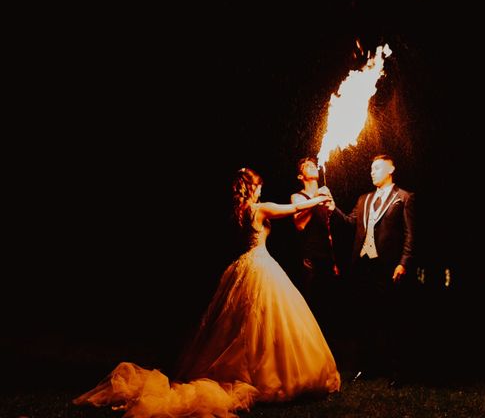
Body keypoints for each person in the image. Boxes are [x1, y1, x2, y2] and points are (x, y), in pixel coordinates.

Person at [73, 167, 341, 418]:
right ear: (252, 188)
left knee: (240, 329)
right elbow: (293, 208)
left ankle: (253, 375)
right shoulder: (258, 210)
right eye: (259, 186)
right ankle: (268, 380)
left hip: (241, 267)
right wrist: (318, 199)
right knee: (260, 325)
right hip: (259, 266)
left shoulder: (237, 211)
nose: (261, 190)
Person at [329, 154, 415, 386]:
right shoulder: (363, 199)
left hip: (388, 267)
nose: (372, 171)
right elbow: (349, 222)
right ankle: (366, 367)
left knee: (392, 319)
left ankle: (397, 372)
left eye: (377, 167)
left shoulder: (404, 197)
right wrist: (332, 207)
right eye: (371, 168)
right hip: (363, 266)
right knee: (365, 319)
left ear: (391, 168)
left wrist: (403, 262)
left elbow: (410, 235)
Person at [290, 157, 339, 345]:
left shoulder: (324, 194)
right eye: (307, 166)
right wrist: (316, 200)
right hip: (309, 259)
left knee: (328, 307)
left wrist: (334, 261)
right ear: (300, 175)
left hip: (326, 258)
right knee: (310, 306)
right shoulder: (298, 197)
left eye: (313, 164)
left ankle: (325, 351)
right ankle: (306, 348)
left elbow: (328, 231)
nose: (313, 166)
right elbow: (300, 225)